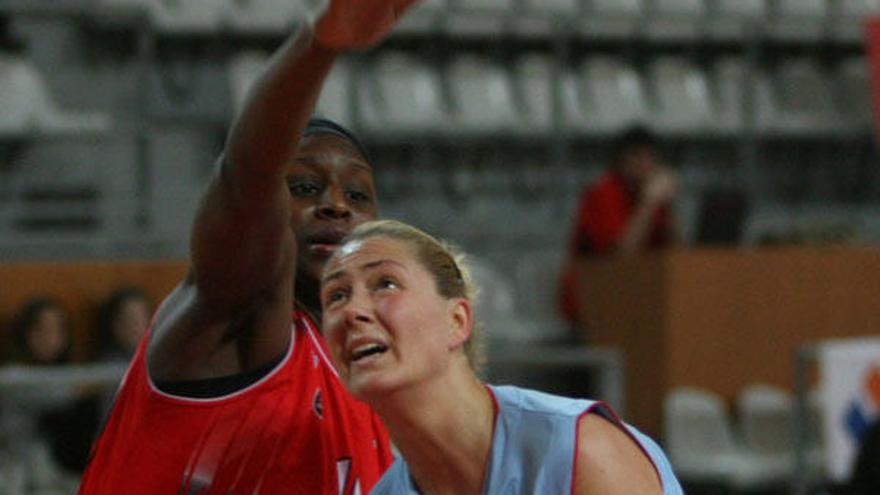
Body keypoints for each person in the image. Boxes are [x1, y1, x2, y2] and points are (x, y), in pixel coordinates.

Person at [77, 1, 420, 493]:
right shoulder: (234, 319)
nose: (337, 206)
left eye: (358, 195)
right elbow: (248, 178)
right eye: (305, 187)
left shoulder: (369, 379)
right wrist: (320, 44)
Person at [320, 219, 684, 494]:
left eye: (385, 283)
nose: (353, 310)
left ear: (457, 320)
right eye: (336, 295)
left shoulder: (579, 453)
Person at [559, 126, 681, 326]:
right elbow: (619, 258)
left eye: (651, 159)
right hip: (594, 298)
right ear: (620, 161)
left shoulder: (651, 198)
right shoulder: (603, 194)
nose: (646, 166)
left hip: (640, 296)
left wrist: (670, 208)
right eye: (638, 158)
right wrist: (648, 204)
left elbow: (675, 253)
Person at [93, 286, 152, 362]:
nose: (136, 326)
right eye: (130, 319)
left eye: (141, 318)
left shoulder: (155, 357)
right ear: (115, 325)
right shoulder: (107, 364)